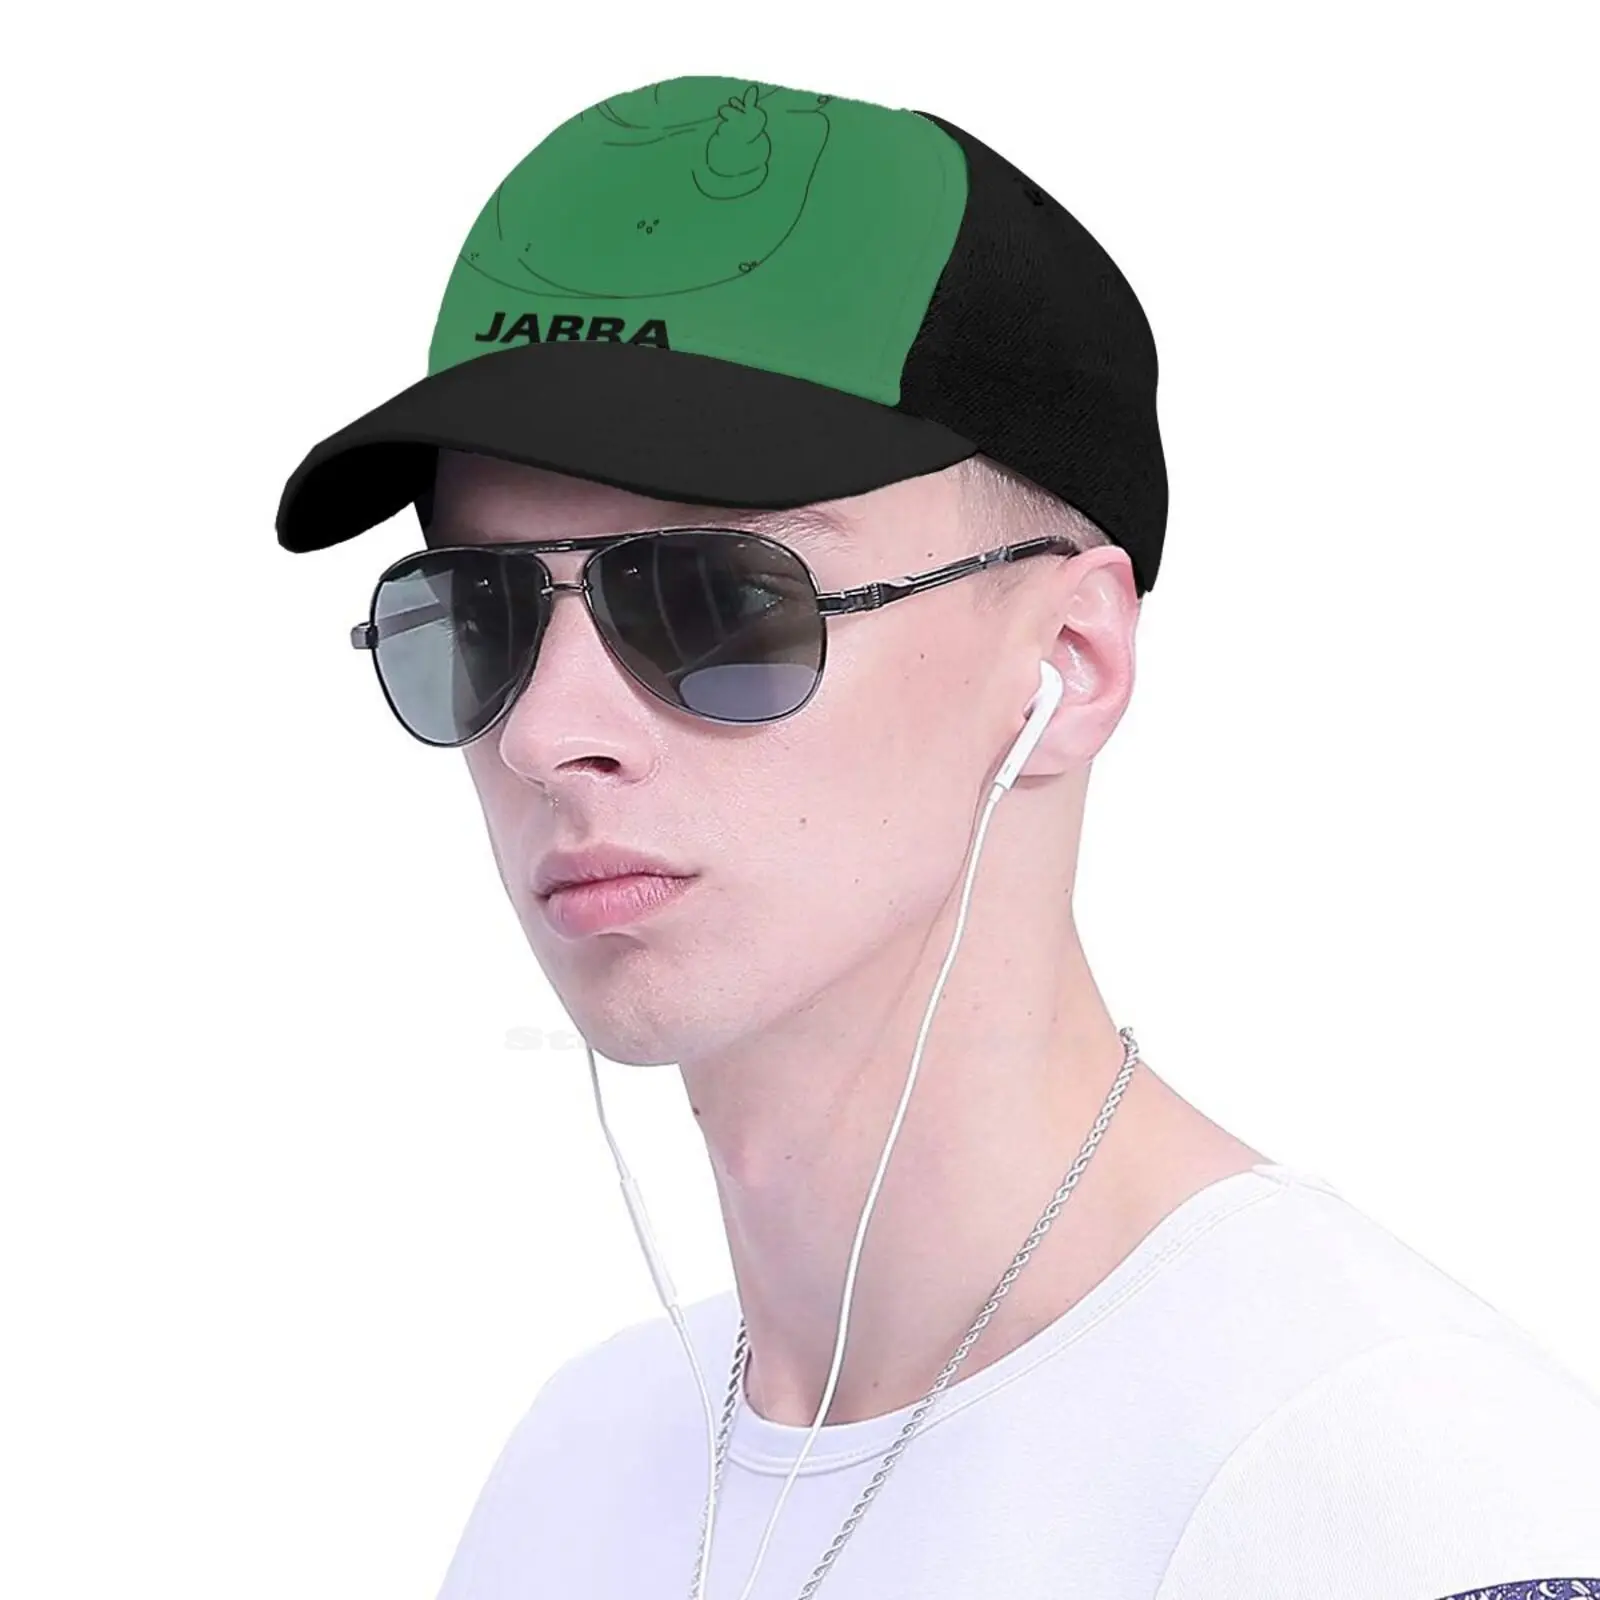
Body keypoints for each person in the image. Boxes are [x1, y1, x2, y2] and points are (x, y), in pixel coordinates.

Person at [275, 73, 1600, 1600]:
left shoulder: (1380, 1486)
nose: (544, 729)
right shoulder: (576, 1470)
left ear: (1071, 664)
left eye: (717, 598)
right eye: (479, 611)